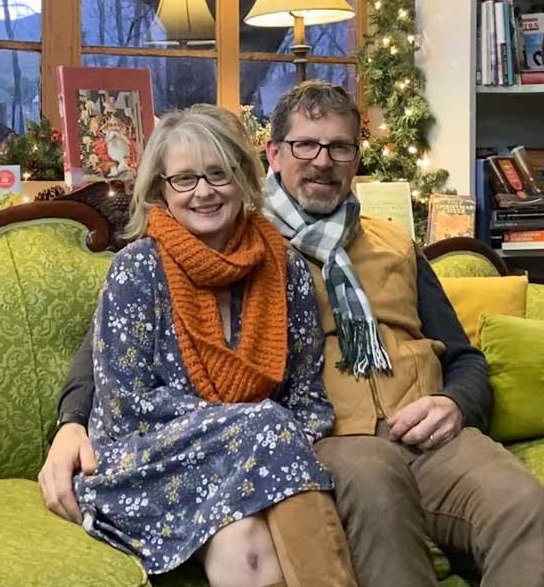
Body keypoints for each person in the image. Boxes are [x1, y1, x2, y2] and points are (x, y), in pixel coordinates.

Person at [43, 83, 544, 586]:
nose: (322, 160)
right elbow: (112, 351)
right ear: (271, 155)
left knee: (530, 511)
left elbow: (464, 357)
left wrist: (454, 404)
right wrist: (71, 423)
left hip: (429, 433)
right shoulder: (237, 237)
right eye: (306, 145)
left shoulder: (391, 242)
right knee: (377, 494)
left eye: (340, 147)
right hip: (339, 439)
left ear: (357, 158)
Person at [59, 105, 356, 587]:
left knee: (252, 551)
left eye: (219, 173)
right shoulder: (137, 270)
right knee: (263, 424)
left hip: (258, 459)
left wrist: (258, 440)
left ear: (243, 177)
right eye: (184, 179)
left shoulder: (286, 269)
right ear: (160, 190)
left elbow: (307, 398)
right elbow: (125, 412)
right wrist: (246, 427)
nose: (204, 192)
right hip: (146, 464)